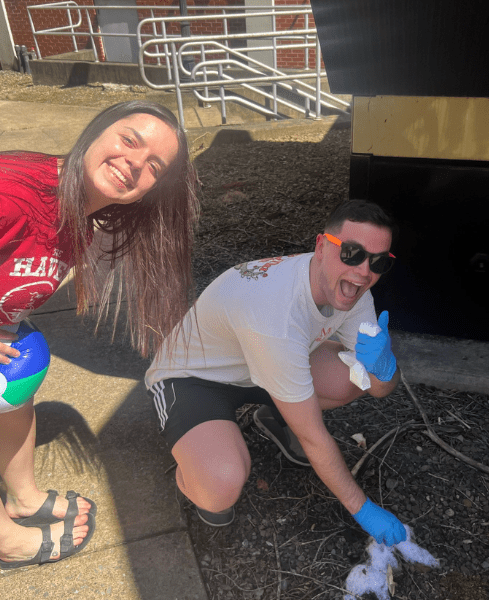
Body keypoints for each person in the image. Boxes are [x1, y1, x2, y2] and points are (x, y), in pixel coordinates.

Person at [0, 100, 199, 568]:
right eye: (129, 140)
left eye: (154, 167)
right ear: (96, 130)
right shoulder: (3, 194)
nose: (133, 164)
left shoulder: (83, 210)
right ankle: (6, 539)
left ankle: (23, 498)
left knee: (14, 397)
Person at [146, 199, 407, 546]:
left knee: (354, 375)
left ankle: (275, 416)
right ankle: (194, 469)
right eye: (352, 253)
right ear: (321, 246)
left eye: (377, 262)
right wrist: (363, 509)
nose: (363, 271)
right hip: (195, 378)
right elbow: (315, 437)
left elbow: (378, 388)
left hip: (262, 366)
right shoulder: (276, 315)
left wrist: (385, 366)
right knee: (221, 485)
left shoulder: (355, 291)